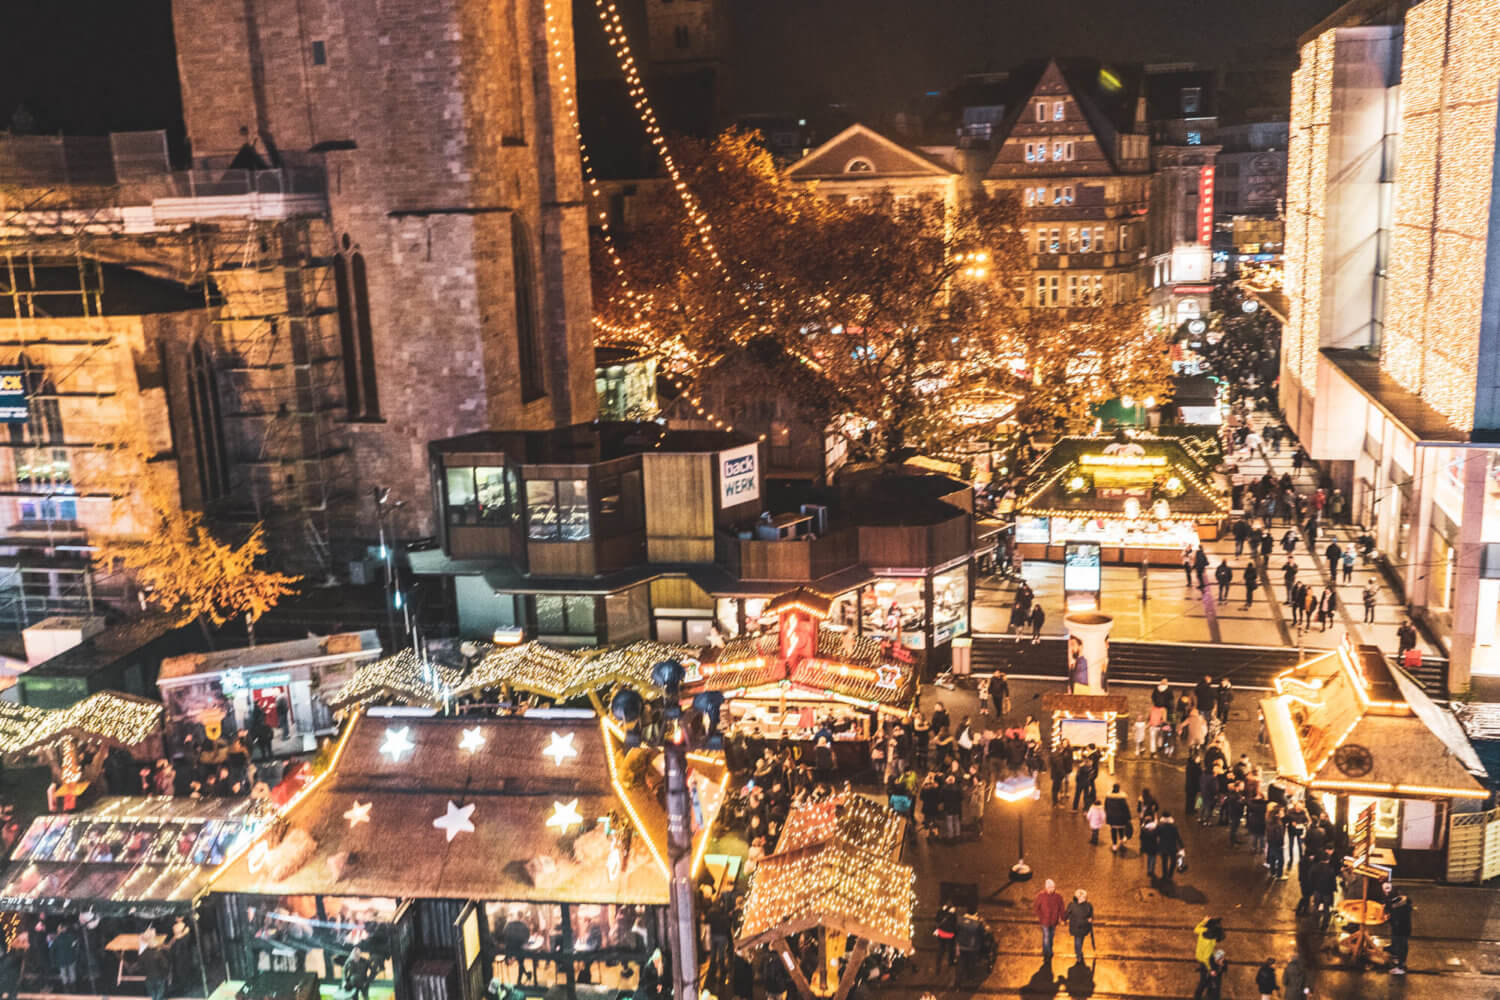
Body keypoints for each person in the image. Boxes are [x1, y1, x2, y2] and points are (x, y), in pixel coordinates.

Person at [1192, 918, 1225, 1000]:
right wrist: (1210, 969)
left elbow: (1196, 929)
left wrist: (1203, 921)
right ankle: (1198, 995)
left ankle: (1199, 993)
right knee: (1203, 979)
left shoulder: (1204, 930)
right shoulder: (1209, 943)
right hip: (1205, 960)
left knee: (1220, 953)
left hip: (1199, 955)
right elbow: (1206, 958)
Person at [1034, 879, 1065, 959]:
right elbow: (1036, 908)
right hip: (1045, 921)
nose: (1051, 889)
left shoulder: (1058, 897)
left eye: (1053, 887)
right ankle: (1047, 953)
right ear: (1046, 887)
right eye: (1049, 887)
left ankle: (1048, 950)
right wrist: (1041, 917)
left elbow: (1061, 908)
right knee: (1046, 937)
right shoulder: (1041, 896)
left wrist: (1063, 918)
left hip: (1054, 921)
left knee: (1050, 937)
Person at [1386, 888, 1412, 974]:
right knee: (1401, 945)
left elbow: (1395, 920)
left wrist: (1388, 919)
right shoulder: (1403, 903)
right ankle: (1399, 962)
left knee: (1401, 947)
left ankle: (1401, 967)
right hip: (1404, 929)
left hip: (1400, 930)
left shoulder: (1398, 907)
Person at [1065, 889, 1093, 964]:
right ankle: (1078, 955)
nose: (1085, 898)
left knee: (1081, 940)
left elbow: (1090, 914)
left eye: (1085, 897)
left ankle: (1079, 951)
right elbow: (1066, 914)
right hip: (1076, 927)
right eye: (1083, 897)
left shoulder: (1088, 905)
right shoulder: (1072, 905)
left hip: (1084, 927)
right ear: (1078, 897)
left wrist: (1090, 918)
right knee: (1077, 941)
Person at [1103, 783, 1131, 852]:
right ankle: (1121, 840)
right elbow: (1125, 808)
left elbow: (1106, 806)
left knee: (1113, 831)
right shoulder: (1121, 798)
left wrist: (1108, 814)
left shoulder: (1108, 797)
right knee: (1121, 829)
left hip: (1112, 818)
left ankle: (1114, 845)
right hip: (1121, 818)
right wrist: (1128, 817)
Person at [1155, 812, 1182, 882]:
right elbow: (1178, 837)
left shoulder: (1160, 827)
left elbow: (1155, 835)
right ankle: (1170, 875)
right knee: (1173, 861)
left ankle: (1164, 875)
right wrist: (1182, 846)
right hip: (1172, 847)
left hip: (1163, 847)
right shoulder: (1174, 827)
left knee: (1164, 861)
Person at [933, 901, 958, 973]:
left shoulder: (940, 911)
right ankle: (950, 962)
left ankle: (938, 966)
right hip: (950, 934)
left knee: (941, 950)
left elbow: (937, 919)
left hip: (941, 933)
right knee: (950, 948)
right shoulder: (953, 912)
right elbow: (955, 922)